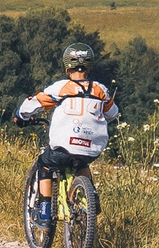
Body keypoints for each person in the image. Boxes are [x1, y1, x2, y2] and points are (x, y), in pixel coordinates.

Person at [13, 46, 117, 229]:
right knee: (82, 163)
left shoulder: (61, 88)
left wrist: (21, 115)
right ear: (89, 68)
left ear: (67, 68)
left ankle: (44, 213)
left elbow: (35, 103)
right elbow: (112, 113)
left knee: (45, 164)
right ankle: (91, 196)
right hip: (92, 148)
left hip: (64, 146)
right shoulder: (101, 90)